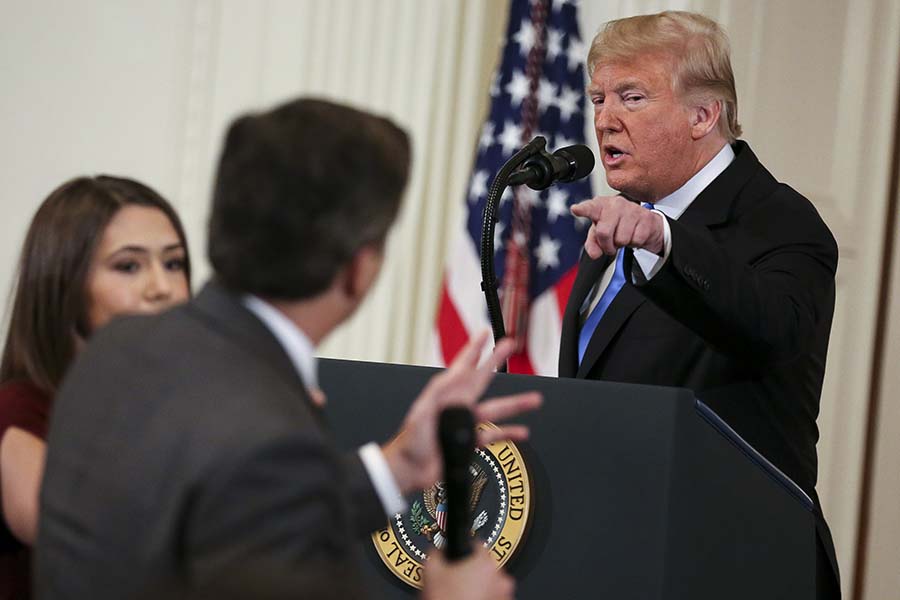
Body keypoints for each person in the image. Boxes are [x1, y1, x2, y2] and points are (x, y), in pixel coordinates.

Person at [35, 98, 540, 599]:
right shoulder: (268, 436)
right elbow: (258, 486)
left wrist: (396, 469)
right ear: (359, 268)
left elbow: (232, 513)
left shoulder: (118, 347)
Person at [557, 11, 841, 599]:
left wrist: (665, 240)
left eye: (632, 97)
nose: (605, 119)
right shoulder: (617, 228)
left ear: (703, 115)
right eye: (599, 97)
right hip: (619, 557)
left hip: (736, 561)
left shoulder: (781, 221)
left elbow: (775, 330)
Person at [0, 175, 191, 599]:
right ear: (65, 284)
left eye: (174, 263)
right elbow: (86, 539)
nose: (162, 287)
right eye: (129, 266)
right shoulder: (19, 408)